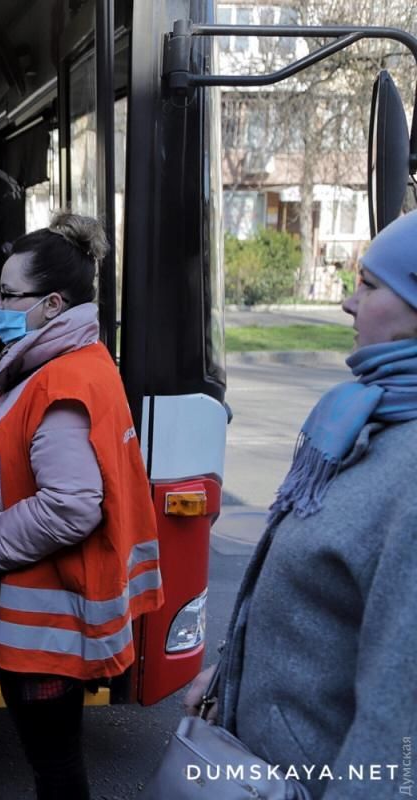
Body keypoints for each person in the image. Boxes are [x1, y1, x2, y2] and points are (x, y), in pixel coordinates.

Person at [183, 210, 417, 799]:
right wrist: (232, 679)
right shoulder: (367, 417)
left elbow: (399, 739)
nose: (347, 303)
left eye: (368, 285)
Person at [0, 213, 162, 800]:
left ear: (53, 304)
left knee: (55, 771)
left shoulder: (60, 382)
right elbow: (32, 452)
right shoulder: (71, 363)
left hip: (48, 631)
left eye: (9, 295)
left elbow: (71, 505)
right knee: (55, 765)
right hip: (55, 621)